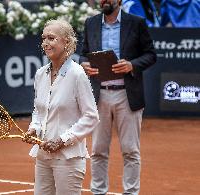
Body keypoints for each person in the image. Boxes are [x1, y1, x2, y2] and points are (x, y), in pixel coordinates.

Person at [79, 0, 157, 194]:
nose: (104, 0)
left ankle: (131, 192)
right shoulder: (91, 22)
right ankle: (98, 192)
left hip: (127, 95)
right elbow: (83, 54)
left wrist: (132, 65)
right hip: (99, 95)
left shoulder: (136, 22)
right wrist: (84, 64)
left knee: (131, 150)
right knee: (98, 150)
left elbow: (151, 54)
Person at [23, 18, 99, 195]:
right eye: (43, 38)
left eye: (51, 38)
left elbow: (91, 116)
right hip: (43, 155)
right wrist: (34, 128)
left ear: (66, 42)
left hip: (69, 158)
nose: (45, 43)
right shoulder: (41, 74)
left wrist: (62, 140)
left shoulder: (77, 74)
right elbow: (38, 110)